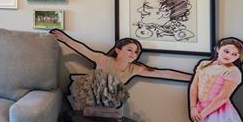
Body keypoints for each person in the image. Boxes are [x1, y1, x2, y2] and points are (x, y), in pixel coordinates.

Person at [50, 30, 192, 85]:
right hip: (89, 95)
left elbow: (165, 73)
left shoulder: (134, 69)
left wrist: (194, 78)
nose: (133, 54)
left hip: (111, 102)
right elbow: (82, 49)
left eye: (136, 52)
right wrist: (65, 38)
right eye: (129, 50)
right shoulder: (103, 59)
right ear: (118, 50)